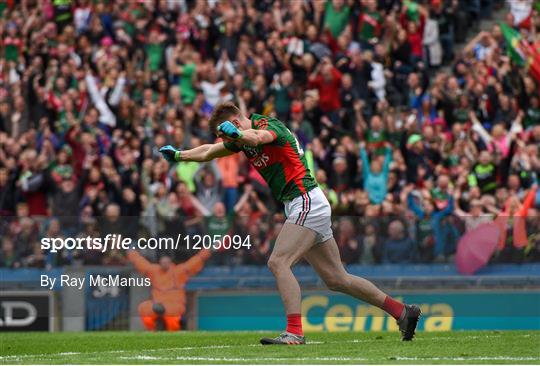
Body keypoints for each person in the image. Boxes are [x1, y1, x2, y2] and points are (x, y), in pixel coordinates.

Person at [158, 102, 421, 344]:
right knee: (337, 278)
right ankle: (402, 312)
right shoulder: (240, 139)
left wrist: (237, 136)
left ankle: (294, 332)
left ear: (236, 123)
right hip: (304, 204)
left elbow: (258, 138)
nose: (225, 141)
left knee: (278, 262)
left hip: (305, 200)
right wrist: (180, 156)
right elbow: (209, 152)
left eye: (227, 134)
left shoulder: (268, 126)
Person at [127, 249, 211, 331]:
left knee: (172, 316)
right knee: (144, 308)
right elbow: (139, 262)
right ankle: (151, 332)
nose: (164, 264)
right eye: (163, 262)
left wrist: (208, 250)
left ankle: (173, 335)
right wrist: (129, 251)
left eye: (166, 262)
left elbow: (196, 261)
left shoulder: (179, 271)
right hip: (157, 305)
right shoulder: (154, 271)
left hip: (174, 305)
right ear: (160, 262)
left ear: (171, 262)